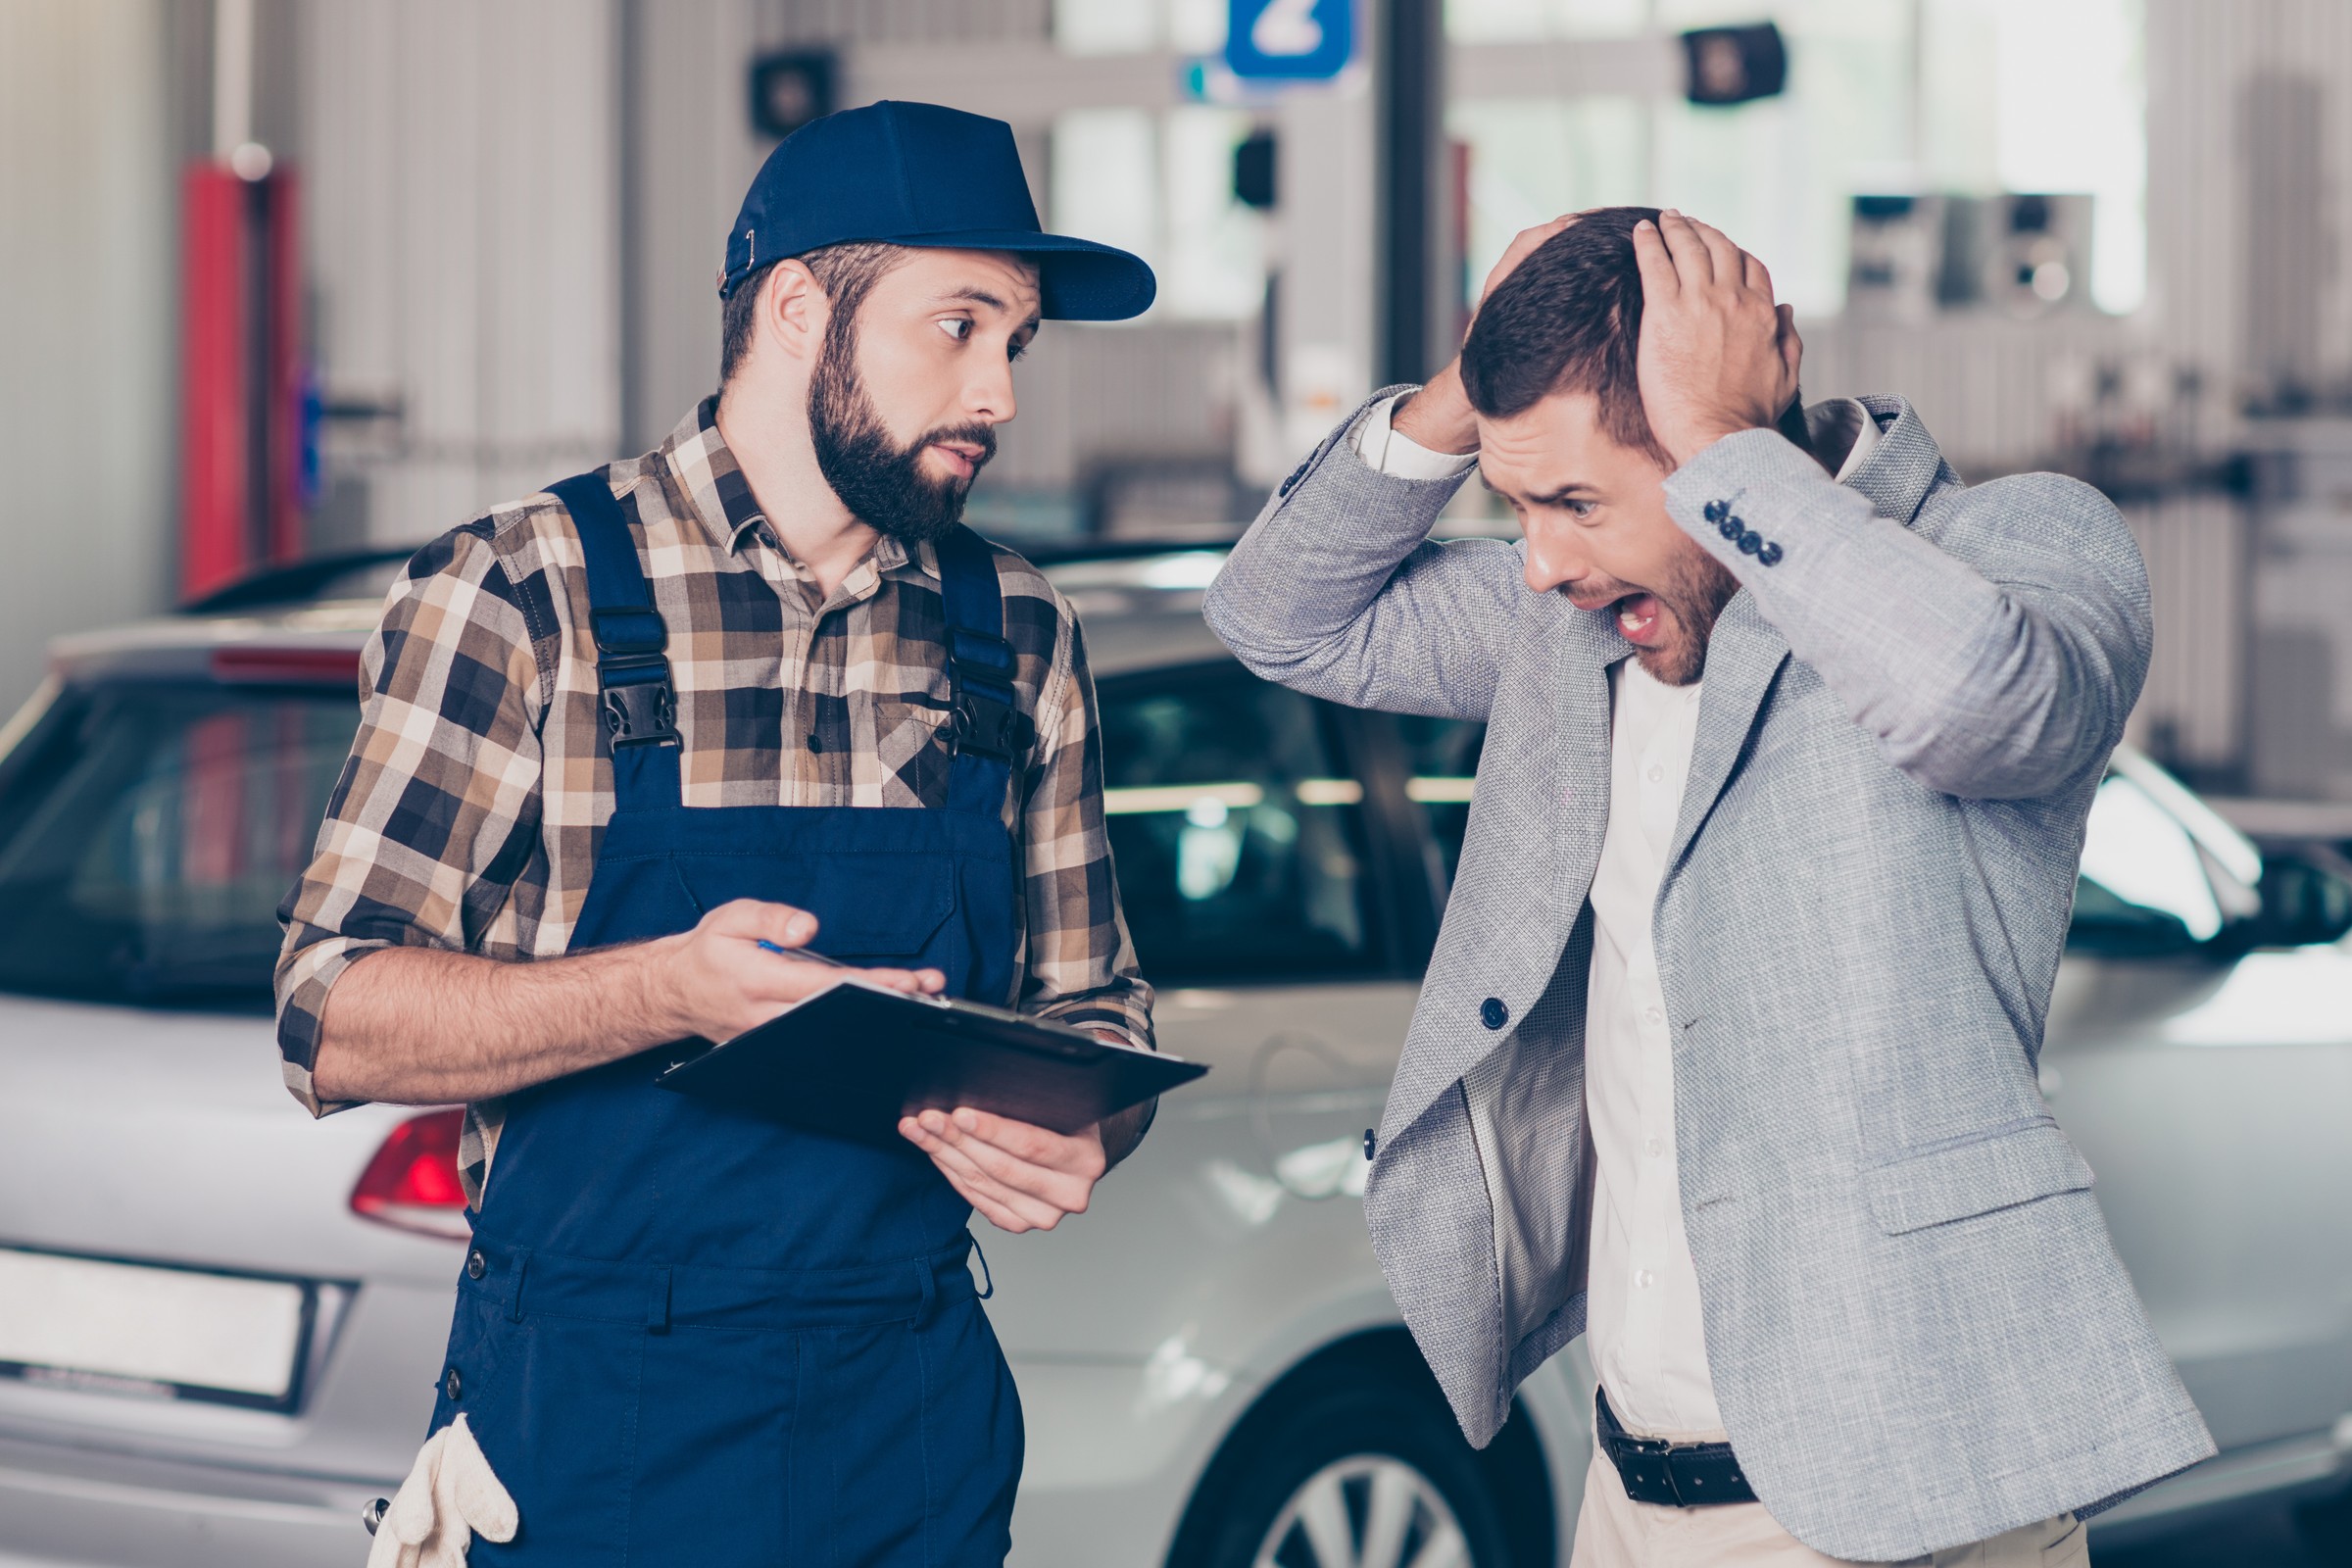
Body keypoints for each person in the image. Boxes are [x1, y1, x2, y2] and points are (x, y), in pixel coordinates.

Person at [1203, 207, 2215, 1567]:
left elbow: (1985, 706)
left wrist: (1734, 448)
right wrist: (1472, 384)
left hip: (1904, 1512)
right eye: (1521, 506)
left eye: (1574, 502)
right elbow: (1280, 614)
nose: (1545, 558)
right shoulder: (1577, 630)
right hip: (1628, 1498)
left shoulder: (2013, 547)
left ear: (1724, 434)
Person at [276, 101, 1159, 1566]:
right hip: (594, 1412)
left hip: (909, 1416)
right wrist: (669, 990)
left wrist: (1090, 1126)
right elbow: (330, 1015)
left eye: (1018, 343)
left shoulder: (1016, 627)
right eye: (960, 326)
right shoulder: (524, 592)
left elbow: (1098, 1007)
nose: (999, 391)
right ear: (802, 307)